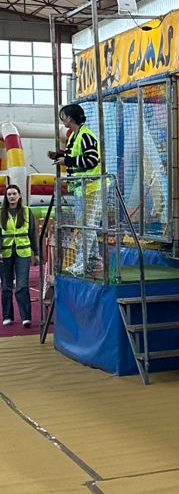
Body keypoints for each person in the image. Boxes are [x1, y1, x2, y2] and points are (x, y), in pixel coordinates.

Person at [47, 103, 102, 277]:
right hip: (81, 188)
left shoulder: (86, 135)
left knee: (87, 226)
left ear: (69, 118)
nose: (62, 120)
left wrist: (67, 161)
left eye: (63, 117)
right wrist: (60, 156)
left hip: (91, 186)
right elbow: (74, 156)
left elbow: (92, 160)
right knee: (86, 225)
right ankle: (93, 260)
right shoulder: (74, 136)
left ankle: (83, 263)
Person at [0, 184, 40, 327]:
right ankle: (7, 316)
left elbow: (32, 233)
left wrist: (36, 253)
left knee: (22, 285)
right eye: (9, 194)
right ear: (6, 197)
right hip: (4, 253)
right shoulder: (1, 212)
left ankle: (26, 317)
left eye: (14, 194)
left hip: (23, 253)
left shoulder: (27, 211)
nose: (11, 196)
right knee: (6, 286)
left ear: (19, 195)